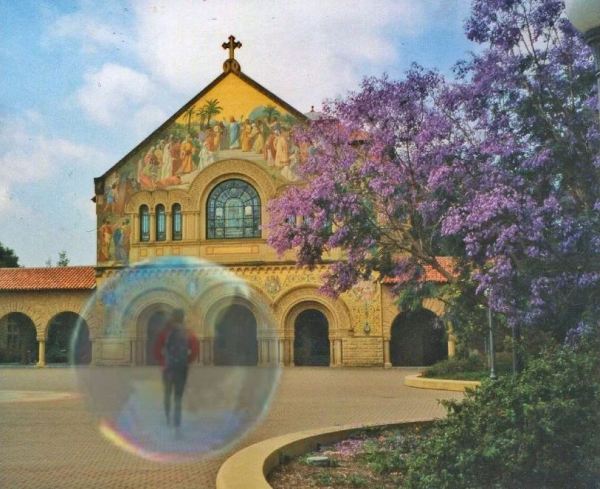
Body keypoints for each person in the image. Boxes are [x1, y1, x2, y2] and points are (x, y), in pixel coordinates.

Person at [153, 309, 199, 436]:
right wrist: (187, 361)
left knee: (167, 394)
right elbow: (195, 349)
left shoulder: (165, 332)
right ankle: (177, 424)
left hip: (168, 368)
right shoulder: (188, 333)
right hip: (181, 368)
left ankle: (168, 419)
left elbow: (157, 349)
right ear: (183, 318)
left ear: (172, 317)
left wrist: (163, 362)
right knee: (178, 397)